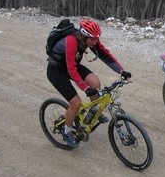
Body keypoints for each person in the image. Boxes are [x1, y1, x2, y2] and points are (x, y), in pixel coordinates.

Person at [47, 19, 132, 149]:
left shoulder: (91, 40)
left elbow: (105, 54)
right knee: (75, 103)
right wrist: (85, 88)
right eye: (92, 39)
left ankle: (93, 113)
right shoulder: (71, 41)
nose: (95, 42)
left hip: (71, 67)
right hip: (56, 71)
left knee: (95, 83)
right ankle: (67, 131)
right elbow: (71, 69)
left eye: (96, 39)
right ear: (83, 36)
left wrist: (121, 70)